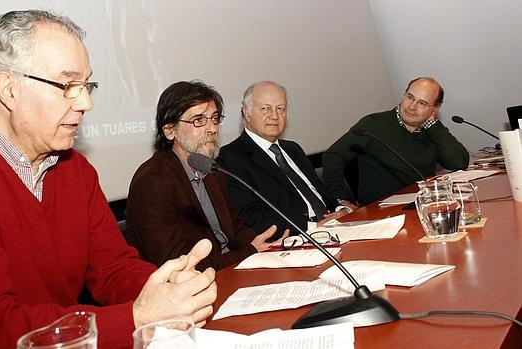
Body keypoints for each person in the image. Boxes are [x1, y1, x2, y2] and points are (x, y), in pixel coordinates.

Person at [0, 10, 216, 349]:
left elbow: (111, 269)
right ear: (8, 89)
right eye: (67, 85)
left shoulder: (76, 169)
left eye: (87, 86)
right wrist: (137, 318)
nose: (85, 102)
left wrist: (167, 285)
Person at [124, 81, 288, 271]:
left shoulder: (211, 169)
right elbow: (177, 265)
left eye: (214, 118)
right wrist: (249, 252)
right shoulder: (153, 181)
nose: (212, 128)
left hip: (228, 269)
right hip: (191, 285)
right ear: (170, 131)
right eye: (199, 120)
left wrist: (265, 245)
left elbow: (235, 229)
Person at [219, 81, 354, 237]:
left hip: (336, 228)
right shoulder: (230, 158)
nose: (275, 116)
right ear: (246, 113)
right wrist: (312, 227)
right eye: (265, 108)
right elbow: (252, 218)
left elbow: (319, 194)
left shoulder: (293, 149)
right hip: (297, 238)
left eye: (280, 109)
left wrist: (341, 210)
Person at [322, 77, 469, 205]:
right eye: (410, 97)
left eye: (422, 103)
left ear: (435, 109)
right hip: (379, 212)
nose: (412, 106)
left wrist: (434, 126)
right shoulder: (373, 125)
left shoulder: (432, 131)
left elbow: (459, 162)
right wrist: (341, 200)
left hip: (422, 205)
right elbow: (332, 156)